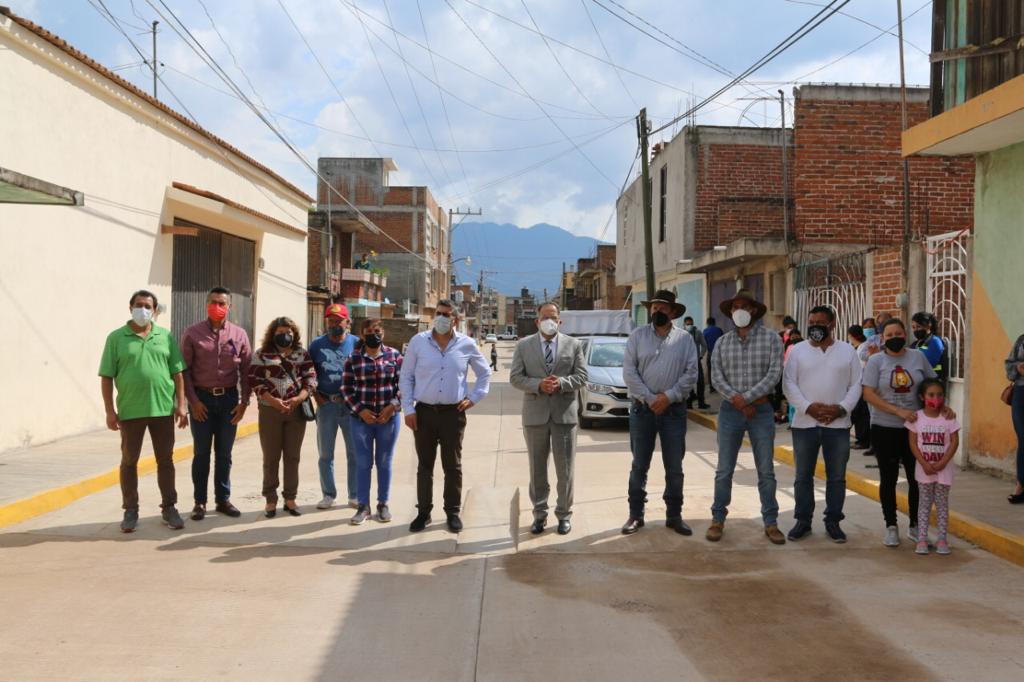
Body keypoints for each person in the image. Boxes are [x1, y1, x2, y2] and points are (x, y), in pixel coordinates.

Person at [99, 290, 189, 533]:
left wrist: (181, 405)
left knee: (166, 460)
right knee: (129, 461)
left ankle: (169, 508)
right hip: (130, 411)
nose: (143, 310)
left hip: (162, 410)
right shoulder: (116, 338)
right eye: (139, 305)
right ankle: (130, 510)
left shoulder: (166, 336)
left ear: (154, 310)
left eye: (148, 306)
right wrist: (110, 411)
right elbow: (106, 377)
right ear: (130, 307)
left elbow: (178, 373)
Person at [400, 300, 490, 533]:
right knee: (424, 465)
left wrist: (473, 398)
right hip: (424, 413)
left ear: (455, 319)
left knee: (452, 466)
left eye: (446, 315)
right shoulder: (418, 342)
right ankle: (423, 513)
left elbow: (484, 374)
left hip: (453, 414)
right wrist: (408, 409)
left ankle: (452, 512)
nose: (441, 318)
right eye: (438, 313)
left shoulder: (466, 344)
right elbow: (406, 376)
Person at [862, 318, 949, 547]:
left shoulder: (917, 357)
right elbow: (868, 394)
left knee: (917, 479)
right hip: (884, 428)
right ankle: (891, 526)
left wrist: (941, 406)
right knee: (888, 479)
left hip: (917, 430)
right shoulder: (875, 361)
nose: (894, 338)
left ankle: (915, 526)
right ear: (882, 338)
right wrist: (897, 411)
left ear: (905, 334)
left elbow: (932, 385)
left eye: (898, 333)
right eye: (889, 335)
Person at [708, 289, 785, 545]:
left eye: (744, 306)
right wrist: (738, 401)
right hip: (731, 411)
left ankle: (771, 522)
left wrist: (748, 398)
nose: (739, 310)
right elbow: (716, 377)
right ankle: (717, 519)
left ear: (753, 310)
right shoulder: (722, 342)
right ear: (730, 312)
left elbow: (774, 374)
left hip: (760, 412)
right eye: (734, 307)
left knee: (766, 471)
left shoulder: (772, 339)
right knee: (724, 470)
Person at [620, 290, 699, 536]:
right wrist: (651, 398)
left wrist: (669, 397)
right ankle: (635, 515)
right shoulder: (637, 336)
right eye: (654, 308)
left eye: (663, 308)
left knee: (674, 466)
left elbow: (691, 373)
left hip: (674, 412)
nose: (657, 312)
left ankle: (674, 515)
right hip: (642, 410)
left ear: (673, 312)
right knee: (639, 465)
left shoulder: (685, 340)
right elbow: (629, 372)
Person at [783, 306, 862, 543]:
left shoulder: (847, 351)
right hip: (805, 424)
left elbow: (856, 384)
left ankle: (833, 521)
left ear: (832, 324)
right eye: (811, 321)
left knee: (836, 477)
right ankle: (803, 521)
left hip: (838, 426)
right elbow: (789, 383)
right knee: (802, 476)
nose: (815, 326)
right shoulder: (798, 351)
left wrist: (840, 409)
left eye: (821, 322)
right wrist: (809, 408)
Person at [510, 303, 587, 535]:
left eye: (553, 317)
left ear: (560, 321)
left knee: (565, 470)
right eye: (545, 317)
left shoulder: (573, 345)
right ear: (537, 321)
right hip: (535, 416)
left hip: (564, 416)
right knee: (537, 470)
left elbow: (582, 376)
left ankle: (564, 514)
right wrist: (538, 385)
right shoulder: (524, 345)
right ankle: (539, 514)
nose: (549, 321)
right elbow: (515, 377)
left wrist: (562, 383)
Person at [180, 286, 251, 521]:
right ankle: (199, 502)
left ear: (229, 307)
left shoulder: (239, 334)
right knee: (201, 453)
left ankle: (223, 499)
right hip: (202, 400)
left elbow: (246, 371)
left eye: (221, 303)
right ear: (206, 304)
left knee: (224, 454)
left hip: (229, 400)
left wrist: (244, 403)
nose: (217, 307)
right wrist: (193, 401)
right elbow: (184, 372)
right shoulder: (192, 333)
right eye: (213, 302)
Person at [249, 317, 316, 519]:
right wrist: (273, 400)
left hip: (296, 411)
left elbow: (310, 378)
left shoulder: (302, 354)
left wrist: (299, 398)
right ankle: (270, 499)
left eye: (288, 331)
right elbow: (254, 379)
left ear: (294, 333)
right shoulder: (262, 354)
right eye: (280, 331)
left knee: (292, 457)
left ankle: (290, 498)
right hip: (270, 411)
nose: (285, 335)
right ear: (272, 333)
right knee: (271, 458)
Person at [342, 319, 403, 525]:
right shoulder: (353, 358)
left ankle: (382, 504)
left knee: (384, 462)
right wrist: (361, 410)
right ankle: (363, 506)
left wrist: (392, 406)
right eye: (368, 331)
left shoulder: (395, 356)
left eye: (377, 331)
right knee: (363, 462)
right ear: (361, 335)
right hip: (361, 420)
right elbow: (346, 389)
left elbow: (403, 385)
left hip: (389, 419)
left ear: (383, 333)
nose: (373, 334)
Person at [309, 303, 359, 510]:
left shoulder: (357, 343)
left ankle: (355, 495)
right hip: (326, 405)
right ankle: (328, 494)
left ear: (348, 322)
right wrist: (316, 397)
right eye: (331, 321)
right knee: (325, 454)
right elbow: (308, 373)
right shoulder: (316, 345)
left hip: (350, 407)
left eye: (339, 321)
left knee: (354, 453)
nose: (334, 324)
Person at [907, 379, 960, 555]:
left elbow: (954, 441)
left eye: (939, 395)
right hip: (924, 471)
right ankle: (922, 538)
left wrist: (943, 462)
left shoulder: (949, 418)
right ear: (922, 397)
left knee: (942, 505)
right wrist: (924, 463)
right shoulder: (916, 418)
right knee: (924, 504)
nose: (935, 398)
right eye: (931, 395)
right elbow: (913, 443)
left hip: (944, 471)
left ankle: (942, 539)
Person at [1004, 333, 1024, 504]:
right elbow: (1008, 365)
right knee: (1023, 438)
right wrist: (1018, 368)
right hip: (1021, 394)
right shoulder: (1021, 340)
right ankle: (1021, 485)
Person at [847, 325, 872, 450]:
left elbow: (862, 368)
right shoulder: (857, 348)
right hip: (858, 384)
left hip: (863, 384)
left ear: (851, 335)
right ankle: (861, 439)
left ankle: (863, 440)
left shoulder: (863, 348)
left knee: (861, 413)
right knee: (859, 413)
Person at [910, 312, 948, 387]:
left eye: (919, 327)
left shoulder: (935, 341)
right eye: (913, 327)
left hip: (934, 383)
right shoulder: (915, 344)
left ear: (928, 326)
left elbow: (928, 362)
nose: (916, 330)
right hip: (920, 383)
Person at [683, 316, 710, 410]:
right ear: (684, 324)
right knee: (688, 383)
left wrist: (701, 356)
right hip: (685, 362)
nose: (689, 325)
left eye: (690, 324)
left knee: (700, 383)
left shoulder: (698, 332)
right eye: (687, 324)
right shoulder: (681, 334)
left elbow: (704, 346)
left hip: (696, 361)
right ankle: (688, 403)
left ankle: (701, 403)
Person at [703, 316, 724, 394]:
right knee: (719, 370)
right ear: (714, 323)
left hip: (710, 353)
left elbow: (703, 343)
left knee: (710, 370)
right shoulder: (719, 330)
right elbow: (723, 341)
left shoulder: (705, 331)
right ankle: (720, 387)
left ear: (707, 323)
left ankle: (712, 388)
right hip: (719, 353)